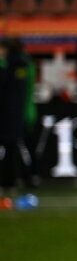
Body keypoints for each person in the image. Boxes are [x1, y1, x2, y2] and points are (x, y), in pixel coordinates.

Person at [0, 35, 39, 211]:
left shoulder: (9, 65)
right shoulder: (27, 65)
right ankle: (28, 177)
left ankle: (18, 179)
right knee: (21, 147)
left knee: (13, 147)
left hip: (13, 115)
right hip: (26, 112)